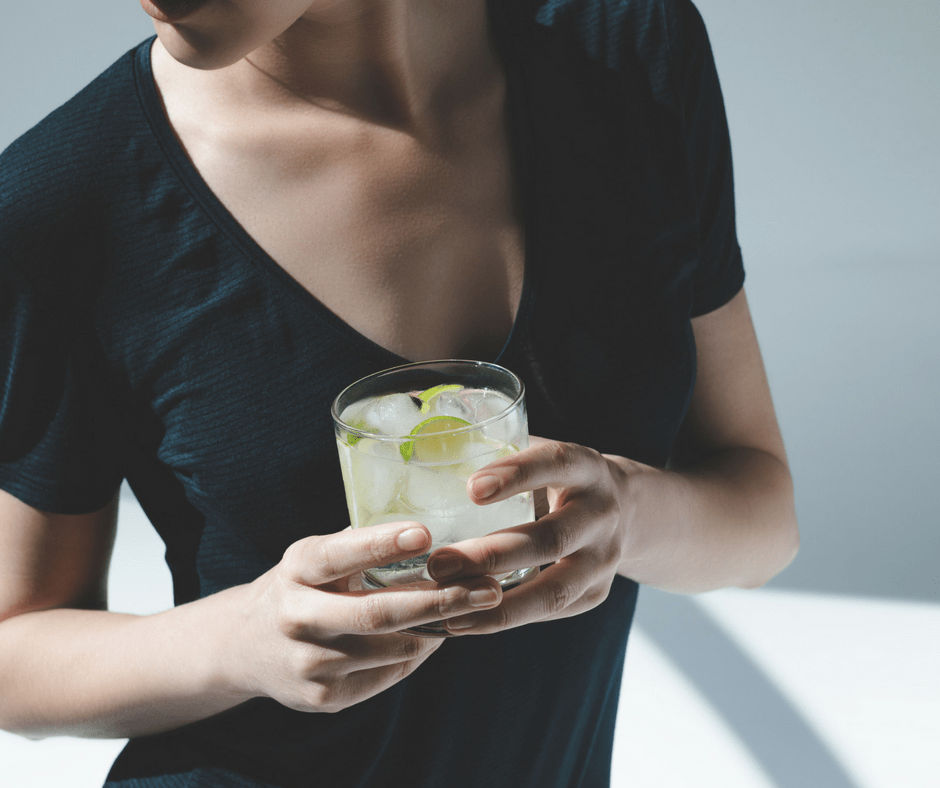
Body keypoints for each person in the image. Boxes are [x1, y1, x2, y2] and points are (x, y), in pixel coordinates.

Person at [0, 0, 799, 785]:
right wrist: (242, 641)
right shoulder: (64, 198)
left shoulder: (631, 51)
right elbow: (15, 652)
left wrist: (624, 516)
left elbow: (764, 522)